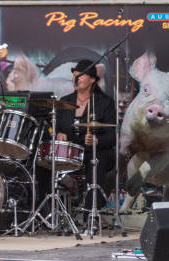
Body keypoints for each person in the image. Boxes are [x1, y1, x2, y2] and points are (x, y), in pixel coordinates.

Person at [56, 59, 116, 222]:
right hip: (70, 153)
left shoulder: (105, 103)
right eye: (74, 76)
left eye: (80, 76)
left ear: (92, 79)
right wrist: (58, 134)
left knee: (95, 163)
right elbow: (53, 127)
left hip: (96, 152)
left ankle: (90, 216)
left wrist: (96, 141)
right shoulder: (65, 101)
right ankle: (51, 215)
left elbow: (112, 137)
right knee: (43, 165)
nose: (76, 79)